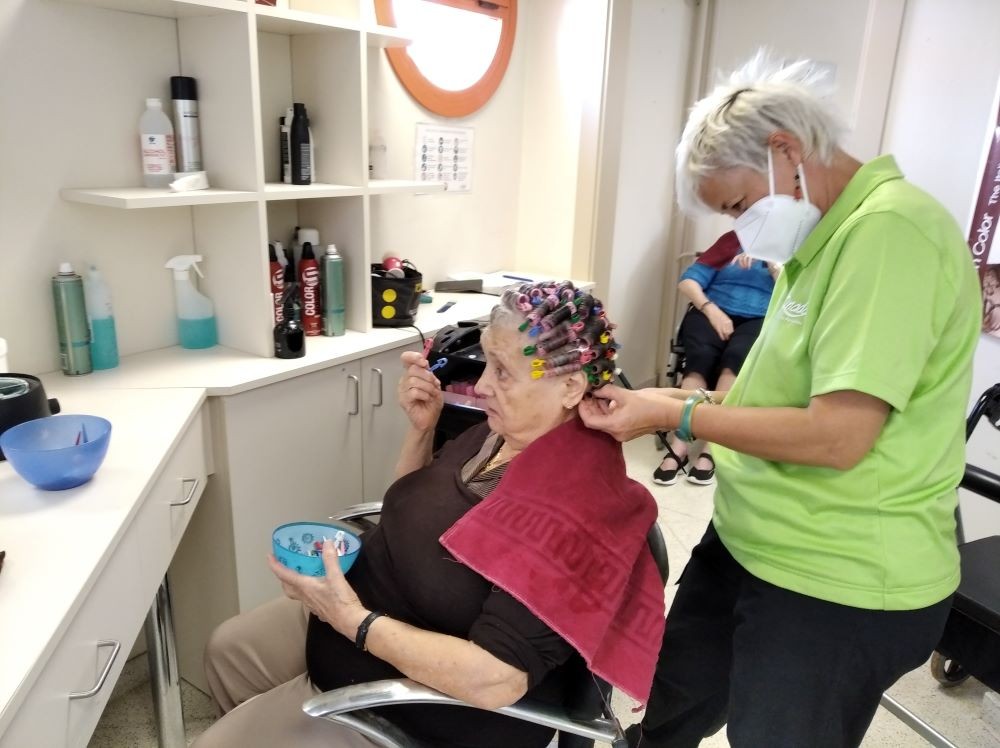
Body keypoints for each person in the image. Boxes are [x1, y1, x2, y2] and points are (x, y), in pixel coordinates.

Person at [579, 50, 981, 748]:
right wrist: (650, 397)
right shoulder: (819, 245)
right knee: (670, 711)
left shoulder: (890, 235)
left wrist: (675, 413)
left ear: (786, 151)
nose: (740, 229)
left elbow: (836, 436)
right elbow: (770, 398)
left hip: (835, 577)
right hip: (749, 541)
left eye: (739, 205)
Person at [193, 282, 665, 748]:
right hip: (364, 612)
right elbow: (413, 504)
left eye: (502, 372)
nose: (481, 385)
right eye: (487, 361)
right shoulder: (504, 433)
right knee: (227, 649)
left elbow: (496, 679)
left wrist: (350, 619)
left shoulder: (571, 511)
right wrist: (423, 430)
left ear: (570, 387)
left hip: (414, 703)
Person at [653, 230, 777, 485]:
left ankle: (713, 446)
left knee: (736, 359)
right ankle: (679, 446)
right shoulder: (732, 240)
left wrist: (772, 263)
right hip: (712, 310)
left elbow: (795, 293)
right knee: (699, 358)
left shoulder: (788, 249)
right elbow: (688, 281)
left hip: (759, 317)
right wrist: (712, 311)